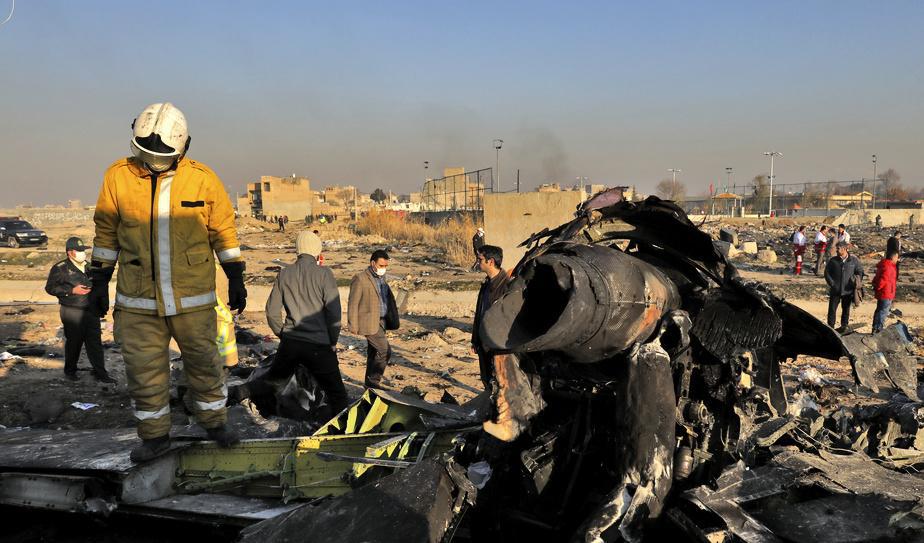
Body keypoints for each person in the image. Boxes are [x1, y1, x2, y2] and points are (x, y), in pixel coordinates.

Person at [89, 102, 247, 462]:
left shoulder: (203, 179)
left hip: (192, 299)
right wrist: (99, 280)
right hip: (138, 300)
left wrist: (235, 274)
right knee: (144, 373)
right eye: (147, 155)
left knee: (205, 364)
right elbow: (106, 233)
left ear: (184, 147)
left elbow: (223, 230)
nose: (154, 162)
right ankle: (155, 437)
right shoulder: (118, 177)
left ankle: (214, 422)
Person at [265, 231, 348, 414]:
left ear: (297, 250)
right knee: (338, 395)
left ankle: (266, 416)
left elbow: (271, 312)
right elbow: (334, 313)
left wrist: (283, 334)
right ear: (317, 251)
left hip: (290, 344)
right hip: (319, 346)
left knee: (271, 386)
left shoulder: (284, 274)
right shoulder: (324, 274)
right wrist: (332, 341)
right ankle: (342, 428)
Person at [44, 237, 114, 383]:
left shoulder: (90, 267)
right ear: (70, 252)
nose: (83, 253)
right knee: (74, 343)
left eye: (84, 250)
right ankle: (70, 371)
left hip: (91, 311)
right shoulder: (60, 268)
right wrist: (71, 291)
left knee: (95, 343)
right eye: (80, 250)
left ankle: (101, 373)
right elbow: (50, 288)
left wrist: (102, 306)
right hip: (72, 311)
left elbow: (100, 287)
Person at [348, 249, 398, 388]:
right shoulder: (360, 278)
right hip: (368, 322)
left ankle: (368, 384)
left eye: (386, 266)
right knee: (384, 350)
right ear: (372, 263)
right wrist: (352, 325)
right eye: (381, 265)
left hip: (382, 322)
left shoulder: (382, 279)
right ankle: (374, 381)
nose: (383, 268)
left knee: (373, 353)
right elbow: (353, 303)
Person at [471, 245, 511, 389]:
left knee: (501, 384)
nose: (478, 262)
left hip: (499, 347)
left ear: (491, 261)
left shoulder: (507, 286)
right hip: (484, 344)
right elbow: (479, 313)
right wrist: (475, 340)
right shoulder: (486, 284)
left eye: (480, 259)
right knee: (487, 380)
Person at [824, 241, 864, 333]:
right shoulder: (833, 260)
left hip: (848, 291)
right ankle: (830, 328)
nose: (836, 250)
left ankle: (844, 327)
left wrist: (856, 281)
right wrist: (832, 283)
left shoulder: (853, 261)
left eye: (838, 248)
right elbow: (827, 272)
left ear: (844, 249)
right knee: (832, 310)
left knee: (846, 310)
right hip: (835, 290)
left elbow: (860, 271)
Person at [872, 250, 899, 333]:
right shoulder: (889, 267)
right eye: (897, 257)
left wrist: (877, 287)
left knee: (879, 310)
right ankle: (878, 329)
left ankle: (875, 328)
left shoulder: (884, 265)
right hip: (886, 293)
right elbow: (883, 279)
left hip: (885, 292)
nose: (897, 259)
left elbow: (877, 278)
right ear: (893, 257)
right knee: (883, 312)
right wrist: (878, 287)